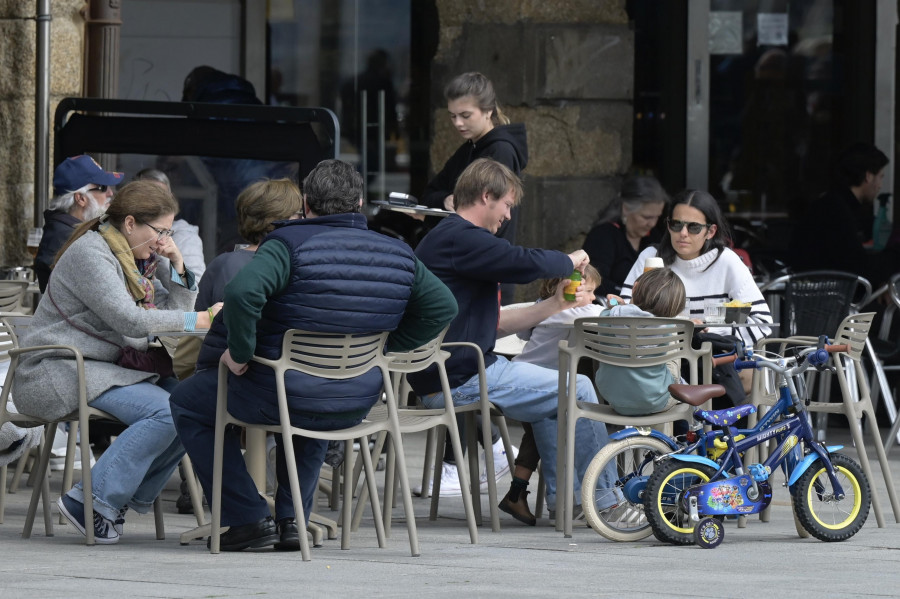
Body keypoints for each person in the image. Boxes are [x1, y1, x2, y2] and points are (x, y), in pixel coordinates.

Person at [169, 159, 458, 552]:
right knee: (321, 397)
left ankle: (249, 517)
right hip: (355, 395)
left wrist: (240, 352)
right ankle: (293, 522)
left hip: (276, 391)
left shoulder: (285, 244)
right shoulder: (399, 251)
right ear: (358, 202)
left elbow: (240, 294)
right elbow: (444, 307)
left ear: (305, 204)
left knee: (186, 403)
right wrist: (383, 348)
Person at [408, 157, 617, 522]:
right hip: (456, 377)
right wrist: (569, 259)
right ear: (486, 196)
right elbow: (522, 261)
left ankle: (566, 503)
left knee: (556, 396)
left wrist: (553, 304)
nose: (507, 216)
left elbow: (495, 325)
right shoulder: (462, 237)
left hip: (450, 370)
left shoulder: (453, 240)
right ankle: (605, 500)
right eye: (506, 205)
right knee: (579, 388)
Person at [12, 180, 220, 544]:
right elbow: (132, 321)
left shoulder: (138, 261)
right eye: (160, 231)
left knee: (193, 408)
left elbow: (176, 322)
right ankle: (91, 502)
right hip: (52, 371)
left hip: (98, 369)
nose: (163, 240)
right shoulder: (92, 254)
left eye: (169, 232)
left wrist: (178, 264)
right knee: (168, 412)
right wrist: (199, 320)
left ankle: (114, 502)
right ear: (129, 223)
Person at [169, 178, 302, 514]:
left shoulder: (226, 266)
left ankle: (242, 508)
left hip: (239, 382)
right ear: (286, 221)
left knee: (192, 399)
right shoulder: (306, 266)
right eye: (299, 214)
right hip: (305, 387)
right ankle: (290, 513)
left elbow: (199, 332)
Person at [621, 189, 773, 392]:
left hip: (714, 365)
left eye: (693, 227)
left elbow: (760, 319)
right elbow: (624, 316)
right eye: (676, 225)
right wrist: (680, 322)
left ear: (710, 231)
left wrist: (709, 328)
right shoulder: (652, 258)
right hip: (658, 367)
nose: (683, 233)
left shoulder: (726, 261)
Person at [499, 265, 604, 525]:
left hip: (535, 378)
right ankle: (566, 501)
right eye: (588, 291)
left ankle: (522, 494)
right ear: (568, 290)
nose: (592, 298)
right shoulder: (568, 311)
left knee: (537, 434)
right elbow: (599, 314)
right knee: (547, 425)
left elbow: (523, 332)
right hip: (531, 383)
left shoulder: (545, 308)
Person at [422, 72, 527, 275]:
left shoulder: (501, 151)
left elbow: (495, 217)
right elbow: (429, 194)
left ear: (488, 111)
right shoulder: (468, 149)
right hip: (468, 260)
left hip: (484, 265)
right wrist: (445, 200)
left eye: (465, 115)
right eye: (453, 116)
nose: (458, 123)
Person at [790, 142, 890, 286]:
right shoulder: (836, 211)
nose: (880, 185)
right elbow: (858, 266)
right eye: (880, 177)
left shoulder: (835, 204)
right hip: (824, 298)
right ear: (868, 176)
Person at [594, 267, 686, 416]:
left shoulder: (606, 317)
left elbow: (625, 319)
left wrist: (619, 307)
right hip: (656, 400)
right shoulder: (668, 327)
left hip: (614, 399)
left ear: (634, 287)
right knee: (674, 368)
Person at [34, 155, 123, 292]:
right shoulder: (65, 237)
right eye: (102, 187)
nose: (110, 192)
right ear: (81, 198)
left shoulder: (72, 230)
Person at [582, 176, 668, 297]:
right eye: (646, 217)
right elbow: (595, 281)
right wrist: (630, 293)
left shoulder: (654, 236)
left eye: (657, 217)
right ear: (626, 208)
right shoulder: (603, 236)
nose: (653, 224)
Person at [133, 168, 206, 279]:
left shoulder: (186, 236)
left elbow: (195, 288)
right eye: (146, 197)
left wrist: (174, 261)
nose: (155, 203)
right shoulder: (127, 231)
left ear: (171, 200)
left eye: (161, 197)